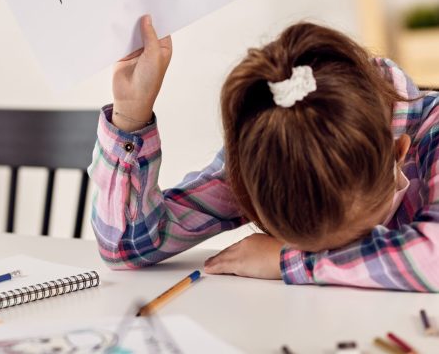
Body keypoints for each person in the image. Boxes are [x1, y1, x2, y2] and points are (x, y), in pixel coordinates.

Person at [88, 16, 439, 291]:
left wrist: (293, 259)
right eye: (315, 244)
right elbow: (126, 246)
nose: (344, 252)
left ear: (398, 153)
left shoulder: (431, 131)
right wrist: (131, 114)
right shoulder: (270, 161)